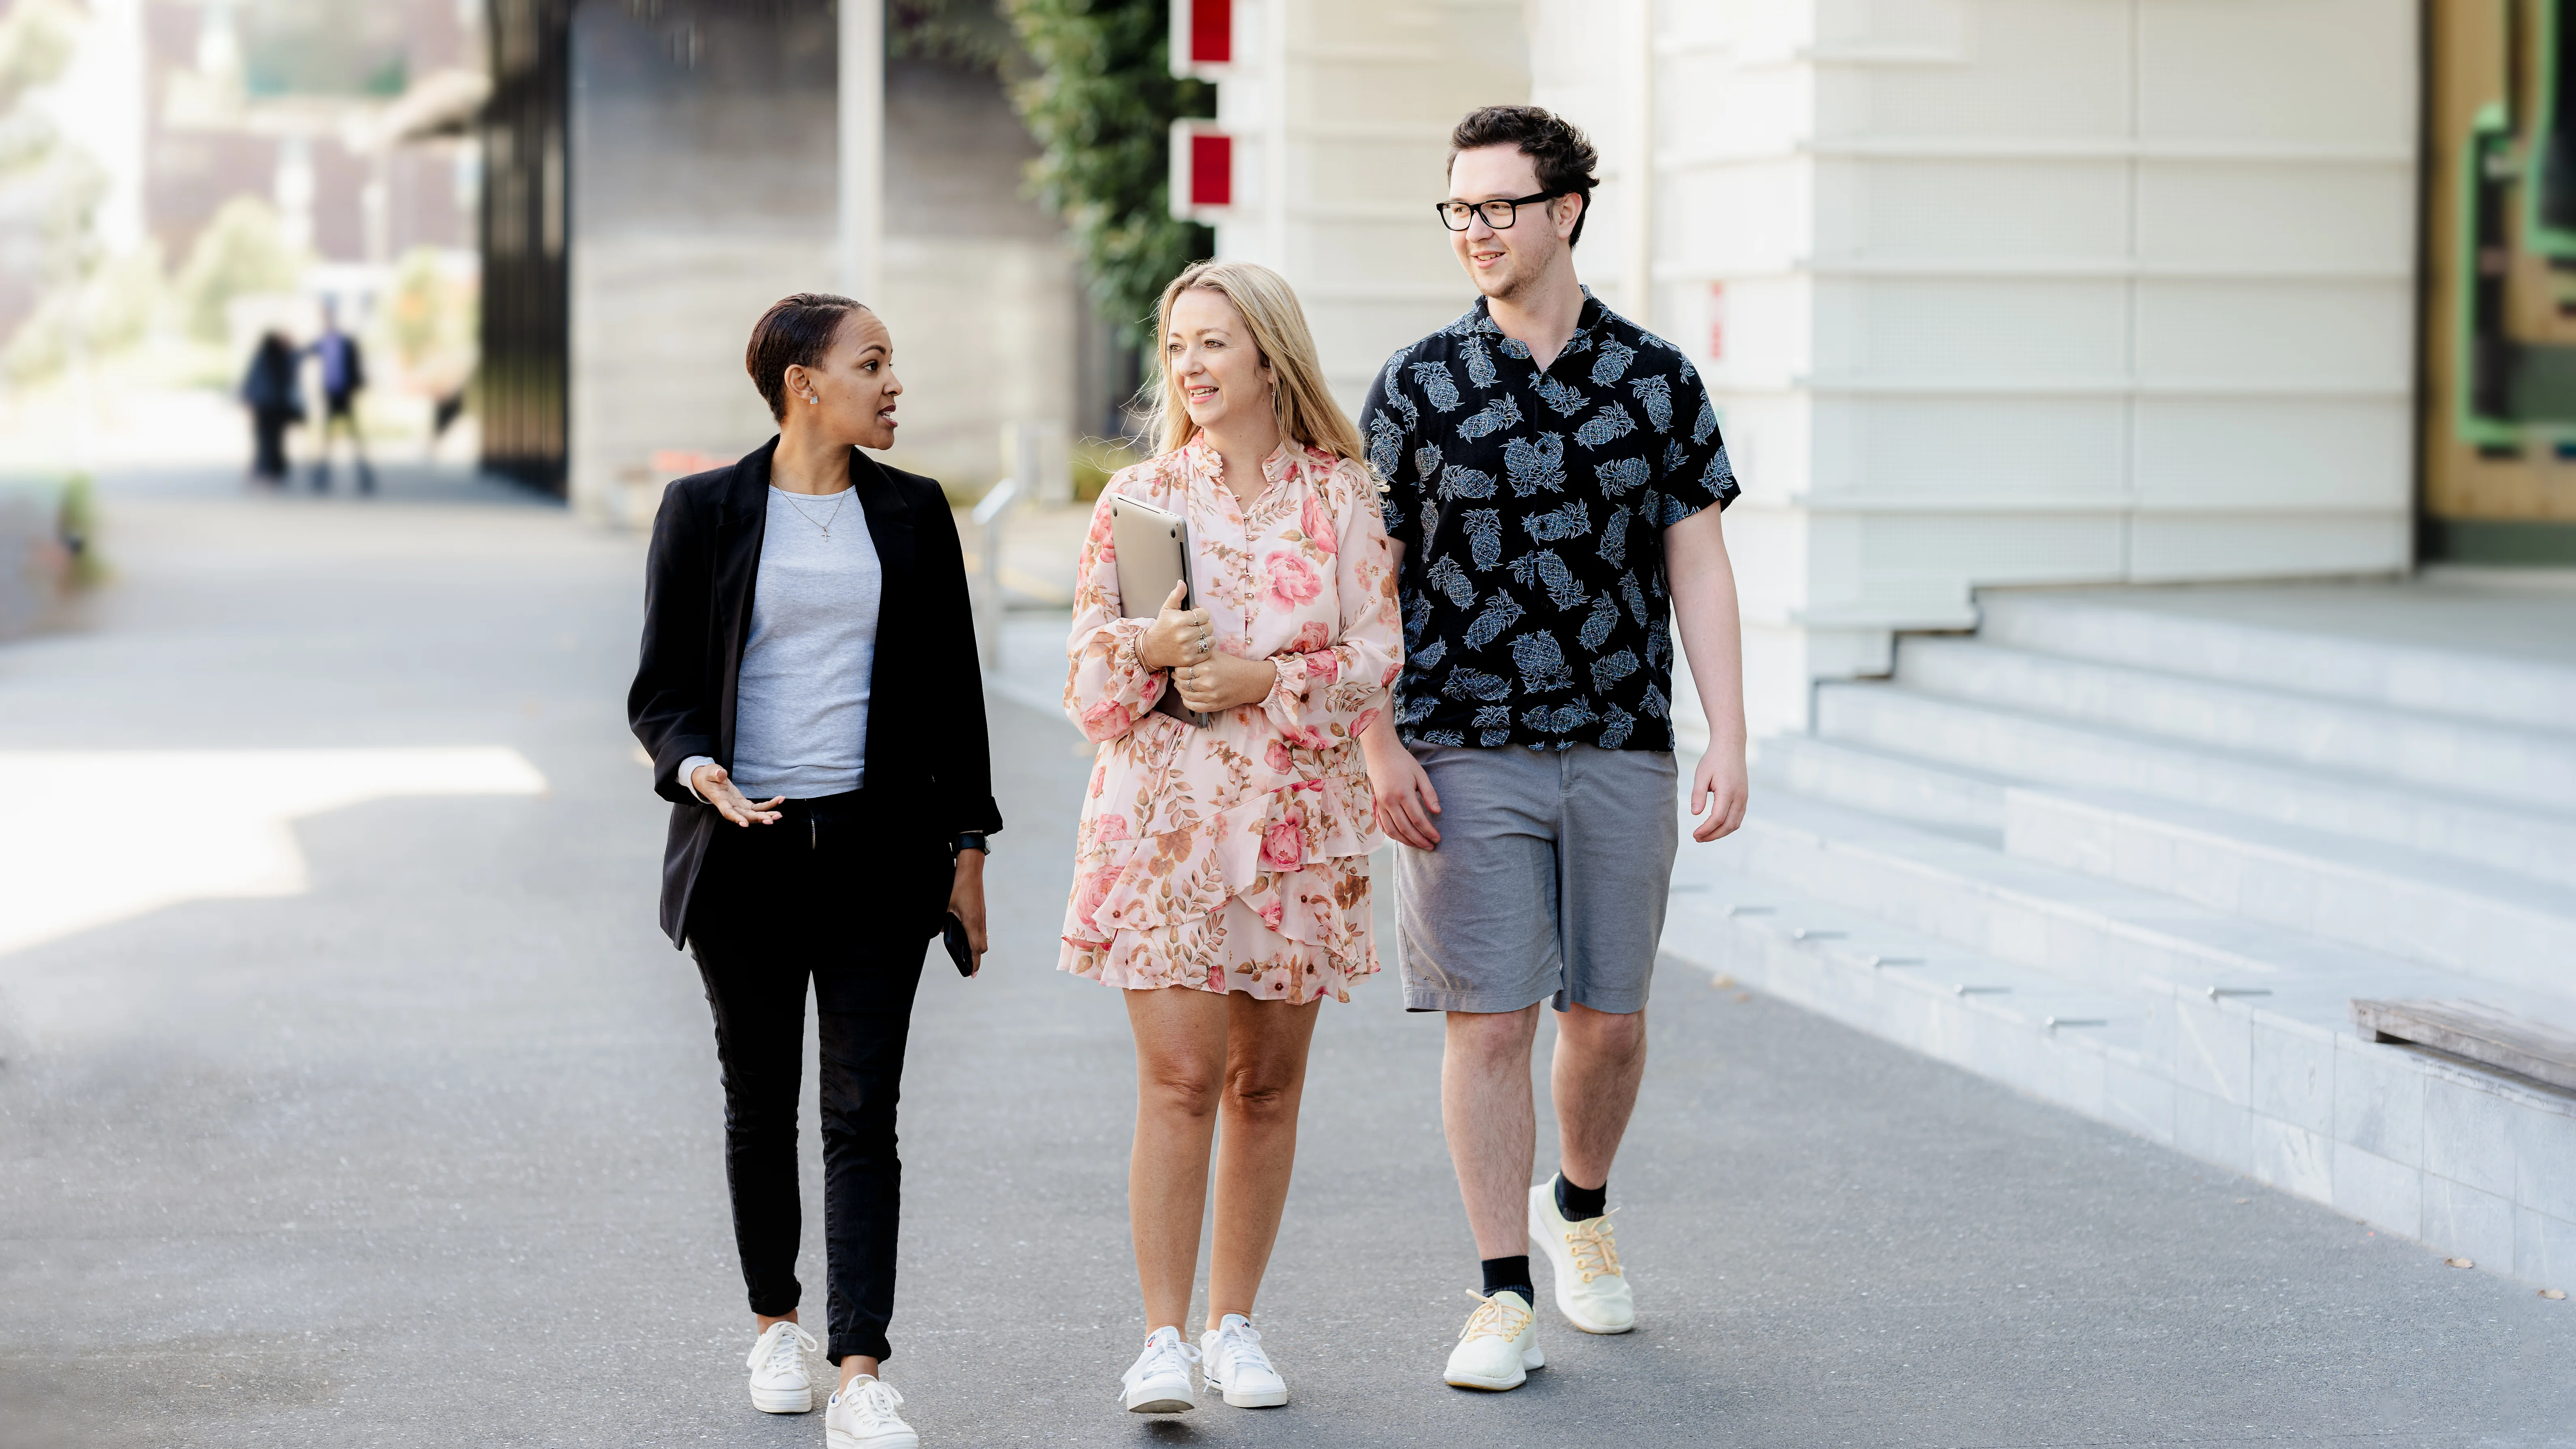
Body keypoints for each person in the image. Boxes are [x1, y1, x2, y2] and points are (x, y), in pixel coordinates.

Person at [1355, 105, 1751, 1392]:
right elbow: (1367, 584)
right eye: (1457, 209)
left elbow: (1699, 566)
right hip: (1461, 748)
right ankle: (1502, 1298)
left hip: (1623, 739)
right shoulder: (1417, 386)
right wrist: (1375, 742)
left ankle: (1576, 1205)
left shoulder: (1656, 380)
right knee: (1487, 1024)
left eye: (1497, 207)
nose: (1474, 231)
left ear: (1565, 211)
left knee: (1611, 1021)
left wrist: (1728, 735)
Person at [628, 292, 1001, 1449]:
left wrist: (969, 850)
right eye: (872, 363)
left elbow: (954, 697)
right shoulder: (705, 509)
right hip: (743, 852)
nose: (894, 384)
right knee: (757, 1101)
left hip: (880, 853)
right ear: (805, 383)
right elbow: (661, 691)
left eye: (893, 363)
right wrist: (696, 766)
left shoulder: (913, 510)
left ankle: (861, 1366)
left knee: (860, 1111)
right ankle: (775, 1321)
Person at [1060, 260, 1401, 1416]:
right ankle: (1160, 1338)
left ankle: (1235, 1325)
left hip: (1298, 825)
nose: (1191, 366)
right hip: (1163, 825)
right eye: (1176, 345)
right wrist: (1148, 652)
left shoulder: (1344, 496)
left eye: (1213, 342)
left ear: (1268, 353)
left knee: (1266, 1085)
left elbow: (1377, 655)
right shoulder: (1140, 502)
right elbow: (1087, 686)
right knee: (1178, 1078)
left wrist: (1271, 674)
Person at [307, 299, 374, 493]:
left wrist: (359, 386)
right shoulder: (321, 343)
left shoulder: (346, 342)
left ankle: (365, 477)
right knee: (327, 439)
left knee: (355, 438)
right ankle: (322, 478)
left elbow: (358, 366)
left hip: (345, 394)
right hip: (330, 394)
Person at [240, 331, 303, 484]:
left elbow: (251, 381)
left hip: (273, 406)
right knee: (267, 441)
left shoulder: (282, 357)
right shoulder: (271, 358)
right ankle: (266, 470)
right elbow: (253, 381)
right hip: (268, 406)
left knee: (272, 441)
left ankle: (270, 471)